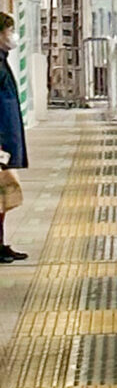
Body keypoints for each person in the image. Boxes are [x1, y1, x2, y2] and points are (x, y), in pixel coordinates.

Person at [0, 14, 25, 265]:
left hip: (6, 137)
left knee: (3, 195)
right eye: (9, 31)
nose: (12, 36)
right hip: (1, 140)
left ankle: (1, 244)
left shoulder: (2, 61)